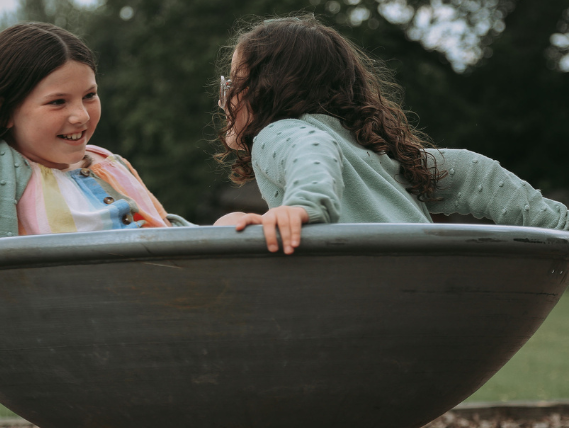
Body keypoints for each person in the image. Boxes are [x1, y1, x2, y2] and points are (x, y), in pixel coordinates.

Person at [213, 15, 569, 254]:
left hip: (370, 296)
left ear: (264, 89)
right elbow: (473, 171)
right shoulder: (379, 156)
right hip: (430, 290)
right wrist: (556, 225)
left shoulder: (279, 133)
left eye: (234, 81)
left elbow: (311, 148)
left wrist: (305, 206)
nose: (226, 95)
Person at [0, 22, 194, 261]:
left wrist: (226, 228)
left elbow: (166, 229)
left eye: (89, 95)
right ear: (4, 111)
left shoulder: (112, 163)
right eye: (58, 102)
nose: (80, 116)